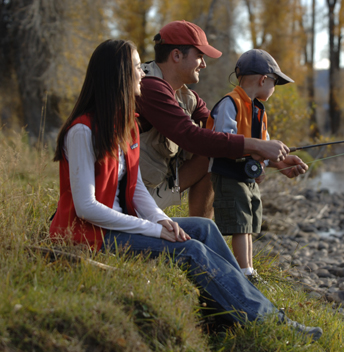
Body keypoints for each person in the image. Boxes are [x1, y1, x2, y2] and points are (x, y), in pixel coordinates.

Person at [49, 39, 322, 341]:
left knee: (204, 229)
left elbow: (136, 187)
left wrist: (161, 220)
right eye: (137, 67)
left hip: (121, 223)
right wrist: (154, 230)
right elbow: (86, 207)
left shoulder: (126, 127)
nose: (142, 72)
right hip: (91, 235)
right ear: (118, 75)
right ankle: (271, 323)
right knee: (190, 250)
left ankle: (236, 311)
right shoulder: (83, 131)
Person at [136, 21, 303, 218]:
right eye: (199, 56)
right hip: (134, 198)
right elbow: (192, 137)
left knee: (217, 148)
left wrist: (272, 160)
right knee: (213, 151)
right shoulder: (149, 87)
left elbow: (220, 136)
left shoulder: (186, 96)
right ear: (176, 55)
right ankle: (201, 231)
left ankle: (201, 230)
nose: (204, 64)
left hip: (153, 188)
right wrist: (257, 146)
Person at [206, 49, 308, 281]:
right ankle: (244, 272)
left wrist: (282, 164)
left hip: (247, 178)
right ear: (264, 79)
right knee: (240, 223)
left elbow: (262, 150)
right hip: (229, 175)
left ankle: (250, 268)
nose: (274, 88)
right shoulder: (229, 104)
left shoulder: (259, 111)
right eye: (275, 82)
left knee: (250, 222)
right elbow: (223, 142)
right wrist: (257, 153)